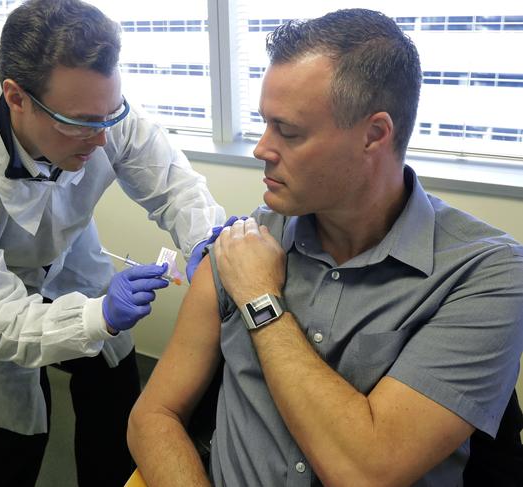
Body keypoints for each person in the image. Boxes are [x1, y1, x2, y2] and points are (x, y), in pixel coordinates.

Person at [127, 8, 523, 487]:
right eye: (263, 123)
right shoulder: (246, 241)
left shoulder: (484, 273)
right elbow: (154, 416)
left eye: (288, 131)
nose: (261, 148)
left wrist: (260, 301)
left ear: (375, 135)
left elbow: (366, 471)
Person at [0, 1, 230, 486]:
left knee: (113, 397)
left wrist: (204, 238)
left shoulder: (100, 111)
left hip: (73, 260)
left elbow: (172, 182)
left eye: (109, 116)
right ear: (16, 97)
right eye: (79, 123)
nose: (100, 140)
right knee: (18, 431)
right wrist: (98, 316)